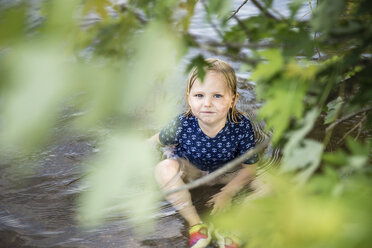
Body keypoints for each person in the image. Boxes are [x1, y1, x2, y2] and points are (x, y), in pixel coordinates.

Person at [150, 58, 259, 248]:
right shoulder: (182, 124)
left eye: (217, 96)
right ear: (189, 98)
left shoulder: (241, 126)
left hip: (225, 173)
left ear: (233, 99)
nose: (207, 103)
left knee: (269, 185)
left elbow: (250, 169)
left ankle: (233, 229)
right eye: (199, 95)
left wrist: (227, 193)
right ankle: (196, 226)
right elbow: (157, 139)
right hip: (191, 171)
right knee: (164, 168)